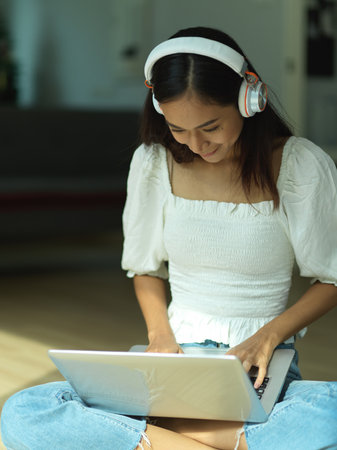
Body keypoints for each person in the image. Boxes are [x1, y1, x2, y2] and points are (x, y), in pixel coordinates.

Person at [1, 26, 337, 450]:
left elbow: (331, 278)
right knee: (25, 409)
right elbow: (145, 267)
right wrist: (160, 336)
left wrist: (268, 336)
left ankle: (162, 440)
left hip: (260, 364)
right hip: (172, 359)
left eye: (210, 126)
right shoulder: (153, 163)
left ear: (249, 99)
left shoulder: (299, 164)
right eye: (178, 129)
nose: (196, 144)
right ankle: (225, 443)